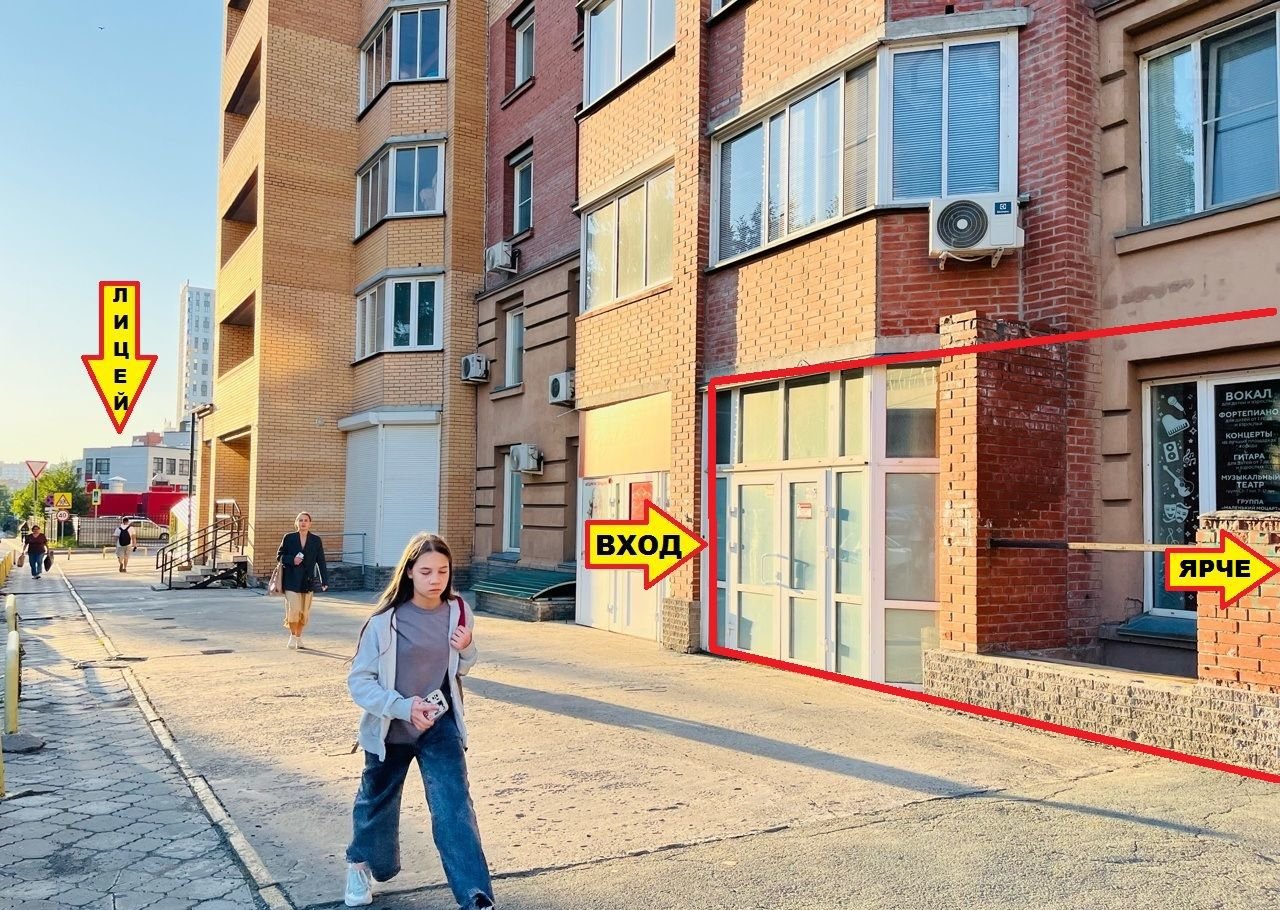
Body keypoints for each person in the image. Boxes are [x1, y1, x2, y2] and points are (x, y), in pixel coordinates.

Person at [343, 533, 494, 909]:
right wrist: (401, 706)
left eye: (443, 571)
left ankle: (475, 896)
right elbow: (359, 681)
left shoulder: (459, 610)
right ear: (409, 571)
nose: (435, 579)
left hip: (439, 726)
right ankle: (359, 865)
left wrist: (467, 648)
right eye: (426, 571)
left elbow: (462, 667)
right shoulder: (384, 622)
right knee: (375, 805)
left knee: (454, 808)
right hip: (390, 728)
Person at [276, 512, 328, 650]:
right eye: (300, 520)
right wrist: (292, 560)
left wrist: (324, 580)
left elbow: (321, 561)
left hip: (307, 581)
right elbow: (279, 556)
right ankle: (292, 636)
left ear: (310, 523)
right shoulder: (289, 538)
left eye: (305, 520)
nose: (303, 523)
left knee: (304, 613)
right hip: (291, 580)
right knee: (294, 610)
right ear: (296, 523)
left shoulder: (316, 540)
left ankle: (299, 638)